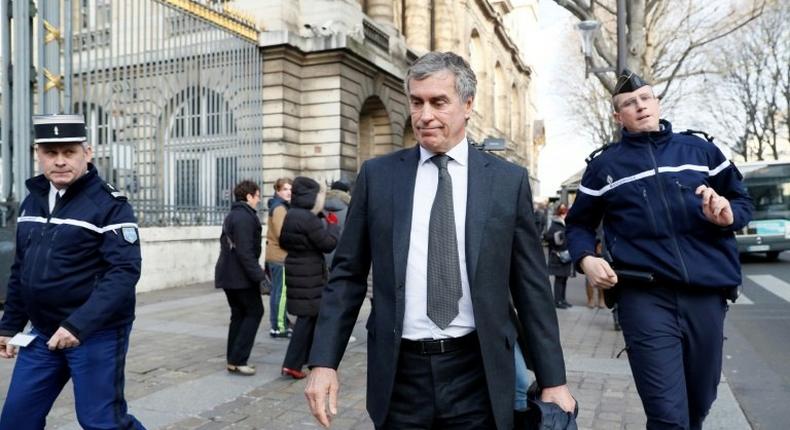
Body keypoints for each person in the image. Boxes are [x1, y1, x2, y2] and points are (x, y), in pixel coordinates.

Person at [304, 51, 575, 429]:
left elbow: (530, 285)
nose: (425, 114)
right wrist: (323, 361)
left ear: (467, 105)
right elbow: (347, 275)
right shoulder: (379, 177)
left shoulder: (505, 181)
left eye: (438, 102)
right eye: (417, 102)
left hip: (477, 371)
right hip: (400, 373)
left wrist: (553, 379)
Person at [566, 69, 753, 429]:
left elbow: (741, 201)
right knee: (668, 416)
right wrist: (586, 258)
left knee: (699, 403)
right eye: (628, 104)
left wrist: (728, 214)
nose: (639, 106)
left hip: (706, 293)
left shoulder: (701, 151)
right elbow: (578, 224)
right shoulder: (604, 167)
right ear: (617, 116)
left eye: (645, 99)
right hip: (644, 296)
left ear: (657, 102)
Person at [0, 114, 145, 429]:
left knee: (102, 422)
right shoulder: (31, 203)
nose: (60, 161)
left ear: (87, 153)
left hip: (96, 333)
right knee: (15, 421)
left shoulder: (110, 205)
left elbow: (124, 271)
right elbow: (22, 269)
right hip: (42, 333)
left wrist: (78, 326)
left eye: (69, 152)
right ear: (38, 154)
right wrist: (9, 325)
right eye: (51, 153)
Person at [279, 177, 340, 379]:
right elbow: (327, 244)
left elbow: (285, 241)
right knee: (306, 320)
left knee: (309, 317)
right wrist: (332, 225)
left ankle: (304, 358)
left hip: (298, 269)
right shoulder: (307, 218)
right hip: (309, 273)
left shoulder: (292, 215)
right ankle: (292, 364)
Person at [215, 180, 268, 376]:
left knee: (238, 314)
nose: (259, 199)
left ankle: (233, 359)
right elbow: (245, 252)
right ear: (249, 197)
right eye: (257, 195)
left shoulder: (233, 215)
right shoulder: (245, 218)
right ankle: (239, 359)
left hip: (229, 274)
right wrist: (260, 277)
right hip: (241, 276)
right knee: (254, 312)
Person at [265, 177, 292, 338]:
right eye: (284, 189)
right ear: (277, 191)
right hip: (280, 257)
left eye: (290, 189)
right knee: (281, 293)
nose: (288, 192)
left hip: (275, 255)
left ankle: (277, 323)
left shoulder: (278, 206)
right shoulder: (280, 209)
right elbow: (283, 235)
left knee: (277, 291)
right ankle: (279, 326)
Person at [544, 203, 573, 309]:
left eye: (565, 210)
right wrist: (558, 236)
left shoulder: (568, 223)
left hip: (567, 255)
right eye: (562, 210)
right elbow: (547, 237)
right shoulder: (555, 223)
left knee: (564, 279)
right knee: (559, 279)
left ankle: (563, 300)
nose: (564, 212)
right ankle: (558, 301)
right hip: (558, 256)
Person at [323, 180, 351, 268]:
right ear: (347, 192)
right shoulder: (350, 209)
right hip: (342, 257)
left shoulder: (319, 207)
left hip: (321, 257)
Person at [585, 240, 606, 309]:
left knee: (602, 277)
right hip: (590, 250)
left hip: (602, 248)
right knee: (589, 278)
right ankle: (591, 299)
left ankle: (601, 299)